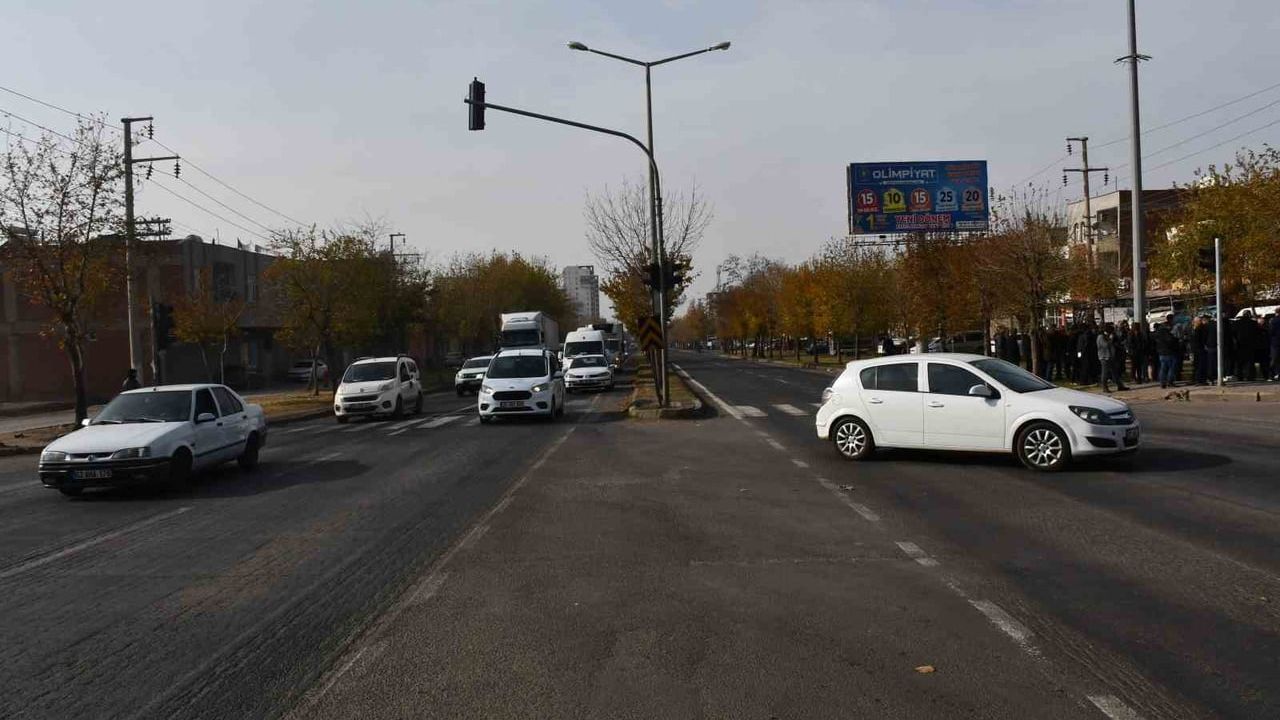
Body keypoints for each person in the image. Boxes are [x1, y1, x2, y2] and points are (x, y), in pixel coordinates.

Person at [1153, 320, 1178, 389]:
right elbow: (1170, 341)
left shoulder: (1157, 333)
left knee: (1163, 368)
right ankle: (1170, 382)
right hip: (1168, 352)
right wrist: (1175, 341)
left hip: (1161, 353)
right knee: (1171, 368)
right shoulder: (1166, 333)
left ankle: (1162, 382)